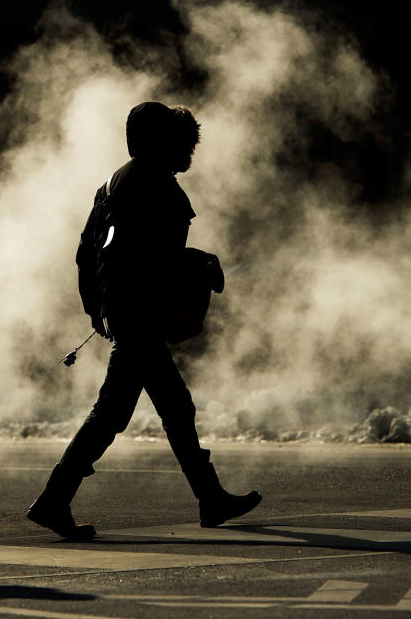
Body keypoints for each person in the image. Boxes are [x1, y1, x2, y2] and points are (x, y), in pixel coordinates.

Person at [26, 102, 261, 540]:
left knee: (162, 407)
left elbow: (86, 254)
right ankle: (54, 499)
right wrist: (203, 262)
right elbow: (155, 259)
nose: (188, 149)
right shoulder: (157, 186)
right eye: (180, 140)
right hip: (139, 315)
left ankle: (209, 498)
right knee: (118, 413)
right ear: (163, 142)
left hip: (125, 312)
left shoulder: (112, 184)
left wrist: (95, 307)